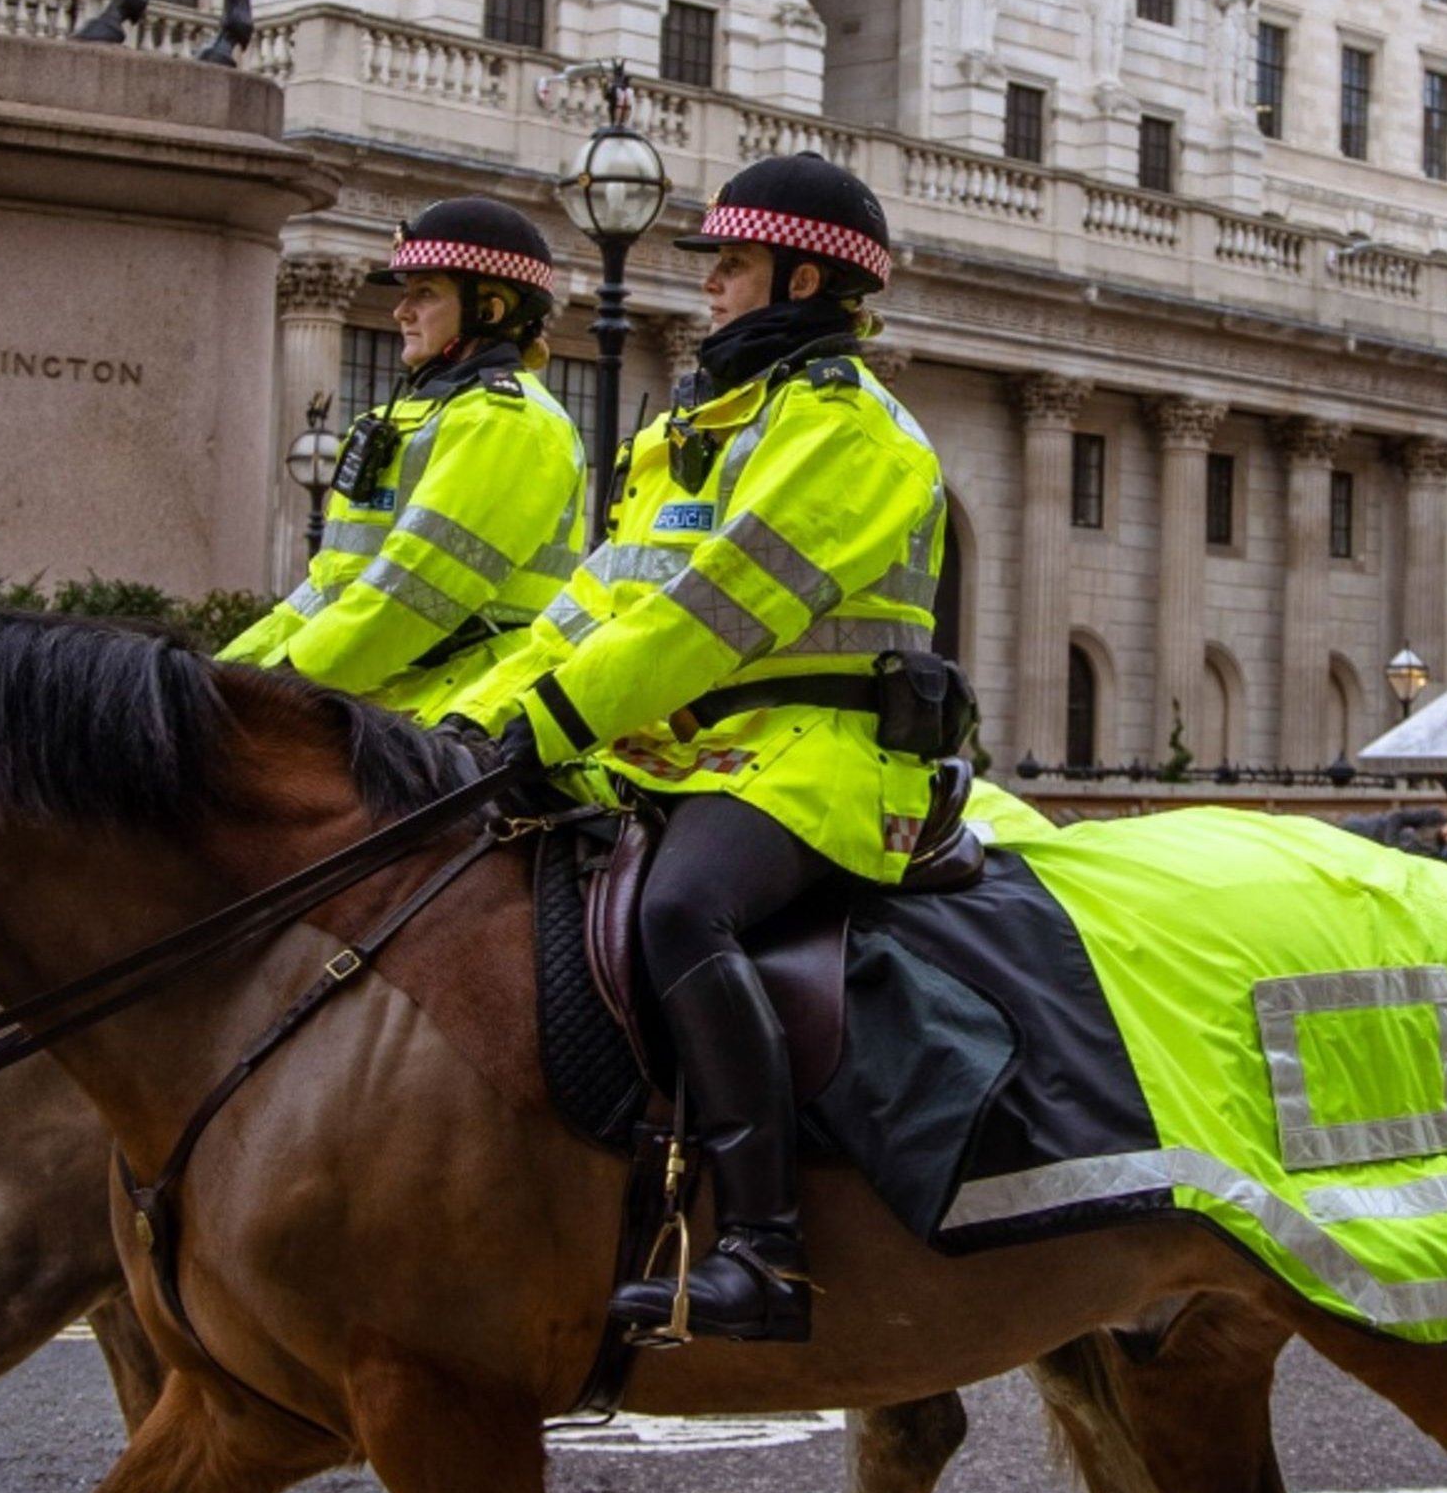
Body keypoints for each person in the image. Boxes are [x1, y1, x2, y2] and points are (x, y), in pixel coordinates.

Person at [454, 155, 960, 1346]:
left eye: (731, 263)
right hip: (688, 751)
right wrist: (470, 721)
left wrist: (551, 720)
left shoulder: (849, 431)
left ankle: (762, 1248)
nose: (711, 284)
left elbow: (710, 615)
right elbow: (591, 606)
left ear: (802, 277)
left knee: (685, 910)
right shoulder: (694, 430)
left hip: (825, 756)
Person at [220, 202, 588, 722]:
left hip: (465, 701)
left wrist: (282, 685)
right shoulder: (406, 416)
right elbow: (325, 591)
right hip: (383, 689)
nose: (401, 311)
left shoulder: (509, 421)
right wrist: (223, 677)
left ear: (490, 310)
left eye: (425, 293)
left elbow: (415, 588)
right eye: (405, 292)